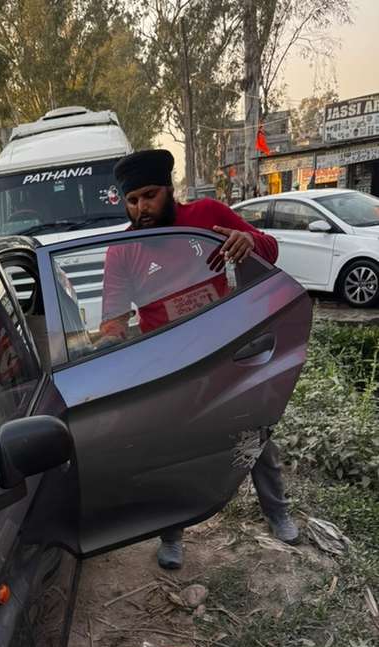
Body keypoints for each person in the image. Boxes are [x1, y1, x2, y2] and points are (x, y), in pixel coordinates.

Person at [101, 148, 298, 571]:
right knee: (171, 447)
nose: (142, 208)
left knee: (255, 431)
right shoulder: (123, 249)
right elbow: (114, 313)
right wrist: (109, 344)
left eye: (149, 195)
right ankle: (172, 532)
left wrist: (249, 240)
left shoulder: (206, 213)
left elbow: (270, 250)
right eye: (132, 200)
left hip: (224, 351)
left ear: (169, 189)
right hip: (168, 364)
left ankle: (277, 511)